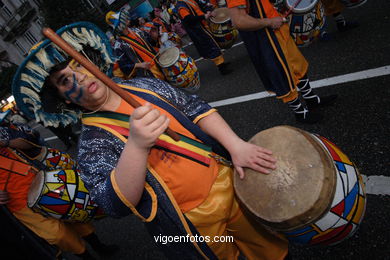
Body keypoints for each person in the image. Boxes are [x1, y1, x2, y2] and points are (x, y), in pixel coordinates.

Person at [13, 22, 289, 259]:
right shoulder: (90, 143)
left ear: (91, 59)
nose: (80, 76)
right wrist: (136, 145)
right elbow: (114, 204)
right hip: (185, 226)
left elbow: (197, 109)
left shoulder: (144, 85)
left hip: (228, 182)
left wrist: (236, 145)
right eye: (64, 80)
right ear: (63, 97)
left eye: (78, 62)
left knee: (271, 250)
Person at [0, 123, 117, 260]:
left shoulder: (3, 130)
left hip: (44, 181)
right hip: (17, 202)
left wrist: (6, 142)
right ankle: (87, 257)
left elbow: (31, 141)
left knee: (76, 216)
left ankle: (99, 247)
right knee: (58, 235)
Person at [227, 0, 337, 123]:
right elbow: (239, 21)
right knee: (283, 76)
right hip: (267, 38)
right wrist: (269, 22)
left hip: (278, 29)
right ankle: (300, 113)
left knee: (298, 66)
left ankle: (312, 100)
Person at [175, 0, 233, 75]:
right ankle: (222, 68)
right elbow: (188, 19)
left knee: (214, 44)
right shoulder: (181, 4)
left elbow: (201, 7)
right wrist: (204, 16)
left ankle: (222, 63)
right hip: (198, 29)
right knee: (211, 46)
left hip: (203, 25)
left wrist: (208, 11)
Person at [106, 10, 166, 80]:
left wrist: (156, 37)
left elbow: (151, 42)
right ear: (120, 24)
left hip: (158, 63)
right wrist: (140, 65)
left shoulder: (136, 31)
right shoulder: (119, 45)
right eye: (124, 19)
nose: (127, 19)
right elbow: (123, 66)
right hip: (147, 72)